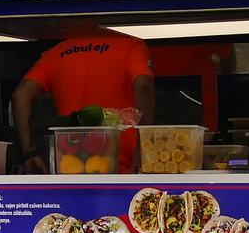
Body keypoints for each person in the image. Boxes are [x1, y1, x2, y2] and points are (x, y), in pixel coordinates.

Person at [11, 25, 155, 173]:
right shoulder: (131, 46)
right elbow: (144, 85)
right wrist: (143, 146)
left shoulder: (56, 53)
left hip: (71, 165)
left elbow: (20, 96)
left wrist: (30, 154)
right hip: (123, 167)